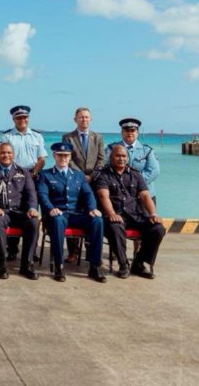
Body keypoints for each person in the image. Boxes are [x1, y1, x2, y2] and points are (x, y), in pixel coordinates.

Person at [36, 142, 106, 283]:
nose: (63, 158)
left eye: (66, 156)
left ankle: (94, 266)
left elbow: (88, 194)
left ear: (70, 157)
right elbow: (42, 195)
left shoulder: (79, 175)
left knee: (98, 220)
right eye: (60, 155)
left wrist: (92, 208)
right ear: (54, 156)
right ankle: (59, 266)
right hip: (56, 214)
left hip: (75, 214)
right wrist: (50, 208)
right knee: (57, 220)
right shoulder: (45, 175)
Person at [94, 145, 165, 279]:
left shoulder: (136, 174)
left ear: (128, 158)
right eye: (117, 156)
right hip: (116, 216)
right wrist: (111, 214)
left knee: (158, 229)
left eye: (124, 156)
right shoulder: (103, 175)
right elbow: (104, 196)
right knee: (115, 227)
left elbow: (145, 196)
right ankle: (123, 264)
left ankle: (138, 262)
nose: (121, 158)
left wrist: (153, 214)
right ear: (111, 157)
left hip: (135, 215)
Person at [0, 143, 41, 280]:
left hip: (19, 212)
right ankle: (2, 265)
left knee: (33, 222)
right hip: (0, 212)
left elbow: (31, 193)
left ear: (13, 154)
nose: (6, 155)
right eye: (2, 153)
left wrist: (32, 208)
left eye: (8, 152)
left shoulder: (24, 172)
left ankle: (27, 264)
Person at [0, 105, 46, 261]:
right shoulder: (7, 137)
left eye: (24, 117)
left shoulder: (37, 136)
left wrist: (33, 173)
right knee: (13, 208)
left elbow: (41, 159)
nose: (22, 120)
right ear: (13, 119)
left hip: (33, 175)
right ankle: (12, 249)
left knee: (32, 212)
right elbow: (4, 156)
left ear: (28, 118)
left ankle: (32, 250)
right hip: (13, 177)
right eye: (18, 118)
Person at [61, 107, 105, 264]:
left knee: (91, 214)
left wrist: (91, 176)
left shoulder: (98, 137)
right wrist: (81, 176)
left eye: (86, 117)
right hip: (74, 181)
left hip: (93, 182)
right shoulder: (68, 137)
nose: (84, 120)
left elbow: (101, 159)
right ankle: (73, 252)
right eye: (81, 117)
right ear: (75, 119)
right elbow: (68, 158)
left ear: (90, 119)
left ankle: (90, 251)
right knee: (73, 212)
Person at [105, 118, 160, 203]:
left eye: (132, 130)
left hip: (144, 196)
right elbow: (106, 168)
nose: (130, 133)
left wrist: (135, 185)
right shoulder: (111, 149)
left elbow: (153, 171)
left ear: (137, 133)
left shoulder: (147, 150)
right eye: (126, 130)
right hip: (118, 196)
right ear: (122, 132)